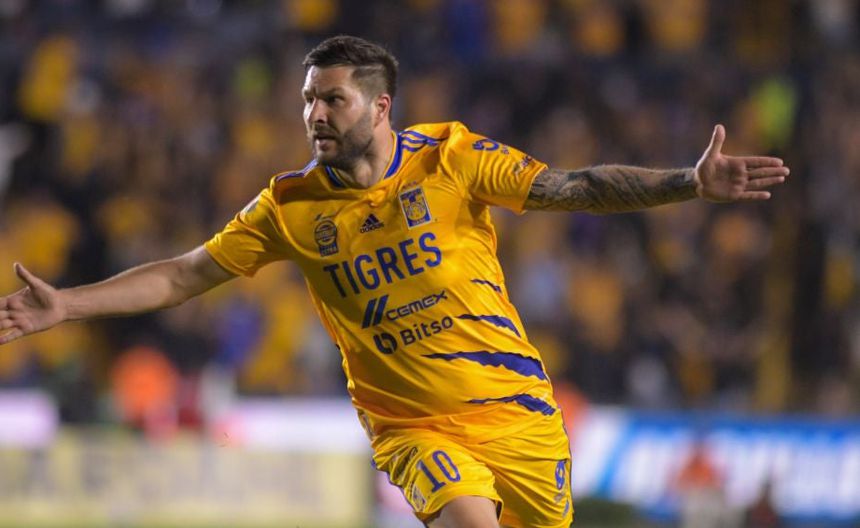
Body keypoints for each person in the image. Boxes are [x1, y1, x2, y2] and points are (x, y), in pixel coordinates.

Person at [0, 35, 788, 528]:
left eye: (333, 100)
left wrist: (688, 182)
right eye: (308, 100)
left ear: (380, 107)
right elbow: (183, 276)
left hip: (518, 415)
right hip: (412, 427)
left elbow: (574, 186)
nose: (315, 115)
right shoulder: (288, 206)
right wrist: (68, 304)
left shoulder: (453, 159)